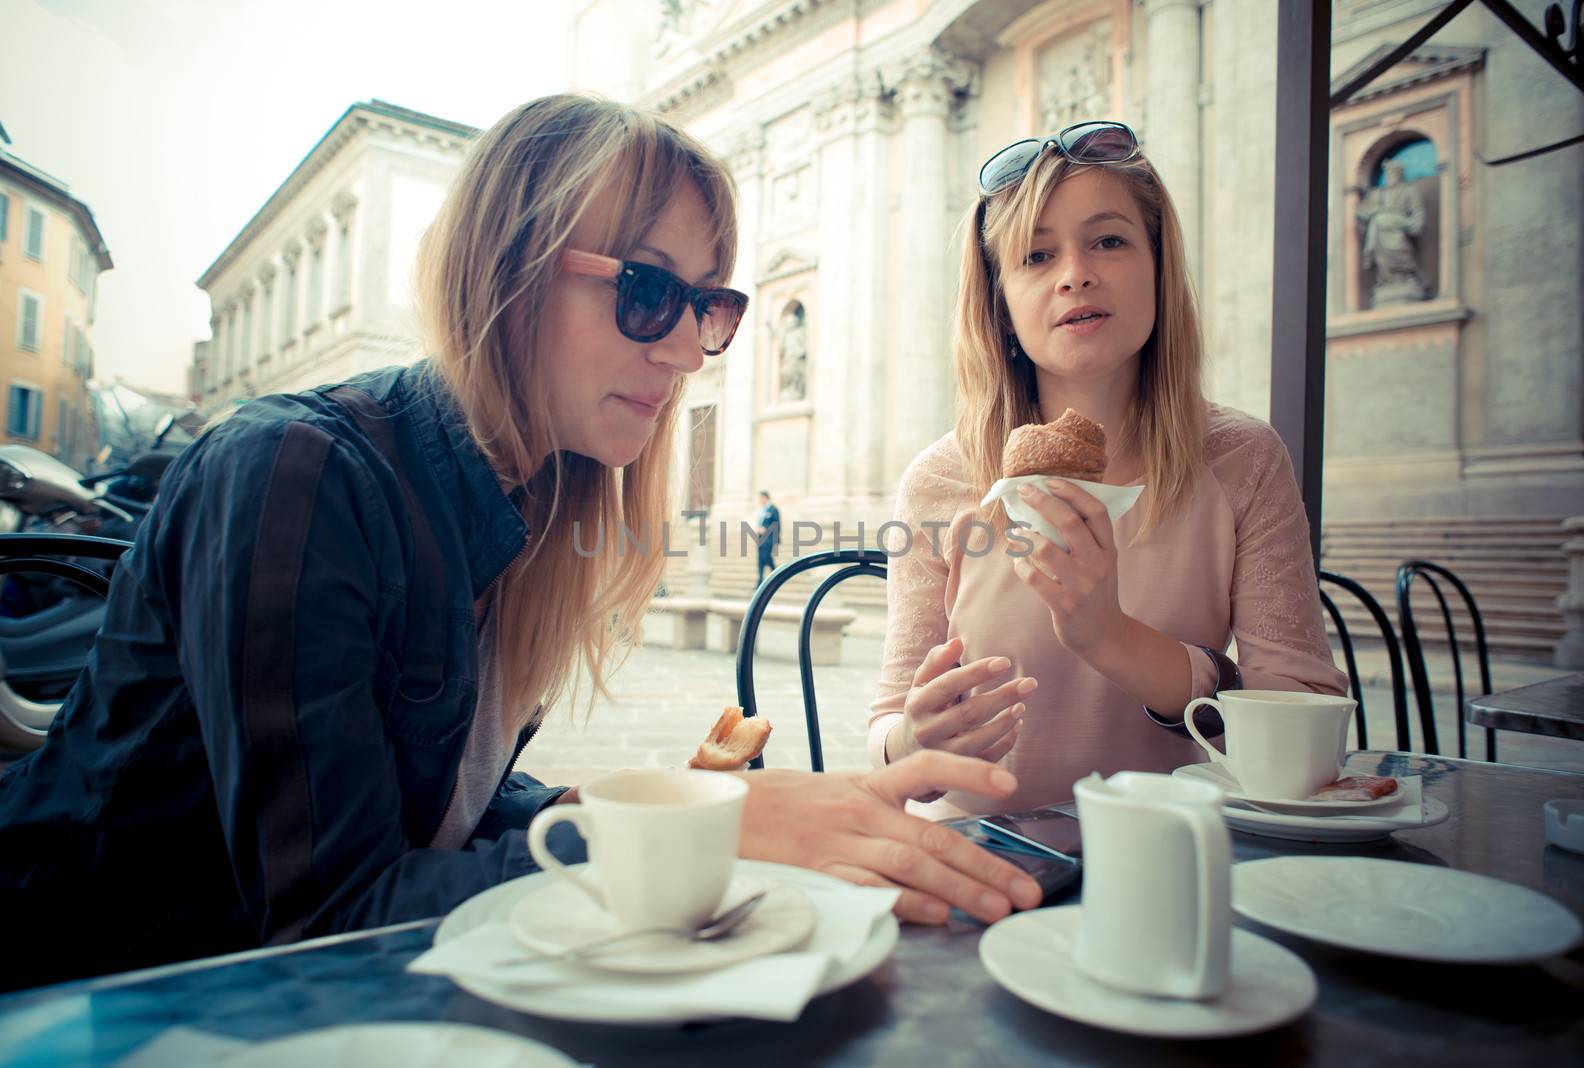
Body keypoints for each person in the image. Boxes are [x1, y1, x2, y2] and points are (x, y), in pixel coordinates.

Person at [0, 94, 1039, 992]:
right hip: (96, 997)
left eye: (710, 304)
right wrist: (698, 836)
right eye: (647, 290)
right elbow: (331, 916)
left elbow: (445, 809)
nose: (687, 350)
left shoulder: (531, 508)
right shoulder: (297, 473)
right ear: (510, 268)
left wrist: (679, 808)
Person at [868, 121, 1347, 816]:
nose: (1075, 274)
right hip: (984, 864)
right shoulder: (940, 480)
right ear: (1001, 306)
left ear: (1159, 269)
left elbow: (1307, 735)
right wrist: (916, 739)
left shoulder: (1242, 459)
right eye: (1035, 256)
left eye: (1109, 240)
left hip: (1179, 857)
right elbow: (888, 738)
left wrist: (1113, 639)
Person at [756, 489, 780, 584]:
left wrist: (766, 529)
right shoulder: (763, 510)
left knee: (766, 558)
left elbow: (777, 524)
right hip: (761, 539)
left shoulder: (773, 509)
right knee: (760, 560)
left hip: (769, 539)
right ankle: (760, 581)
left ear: (765, 498)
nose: (759, 500)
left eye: (761, 498)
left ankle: (777, 573)